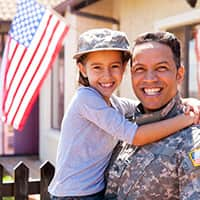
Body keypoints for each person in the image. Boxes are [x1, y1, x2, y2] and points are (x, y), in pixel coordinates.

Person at [48, 28, 197, 200]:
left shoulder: (115, 105)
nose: (107, 75)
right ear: (82, 69)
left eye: (114, 66)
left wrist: (188, 101)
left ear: (124, 68)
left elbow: (146, 104)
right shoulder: (86, 99)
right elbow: (135, 136)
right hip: (74, 195)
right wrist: (185, 119)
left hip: (89, 193)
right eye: (97, 67)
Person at [105, 31, 200, 200]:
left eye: (161, 68)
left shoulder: (192, 140)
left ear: (179, 74)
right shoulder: (123, 124)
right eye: (140, 69)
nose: (149, 79)